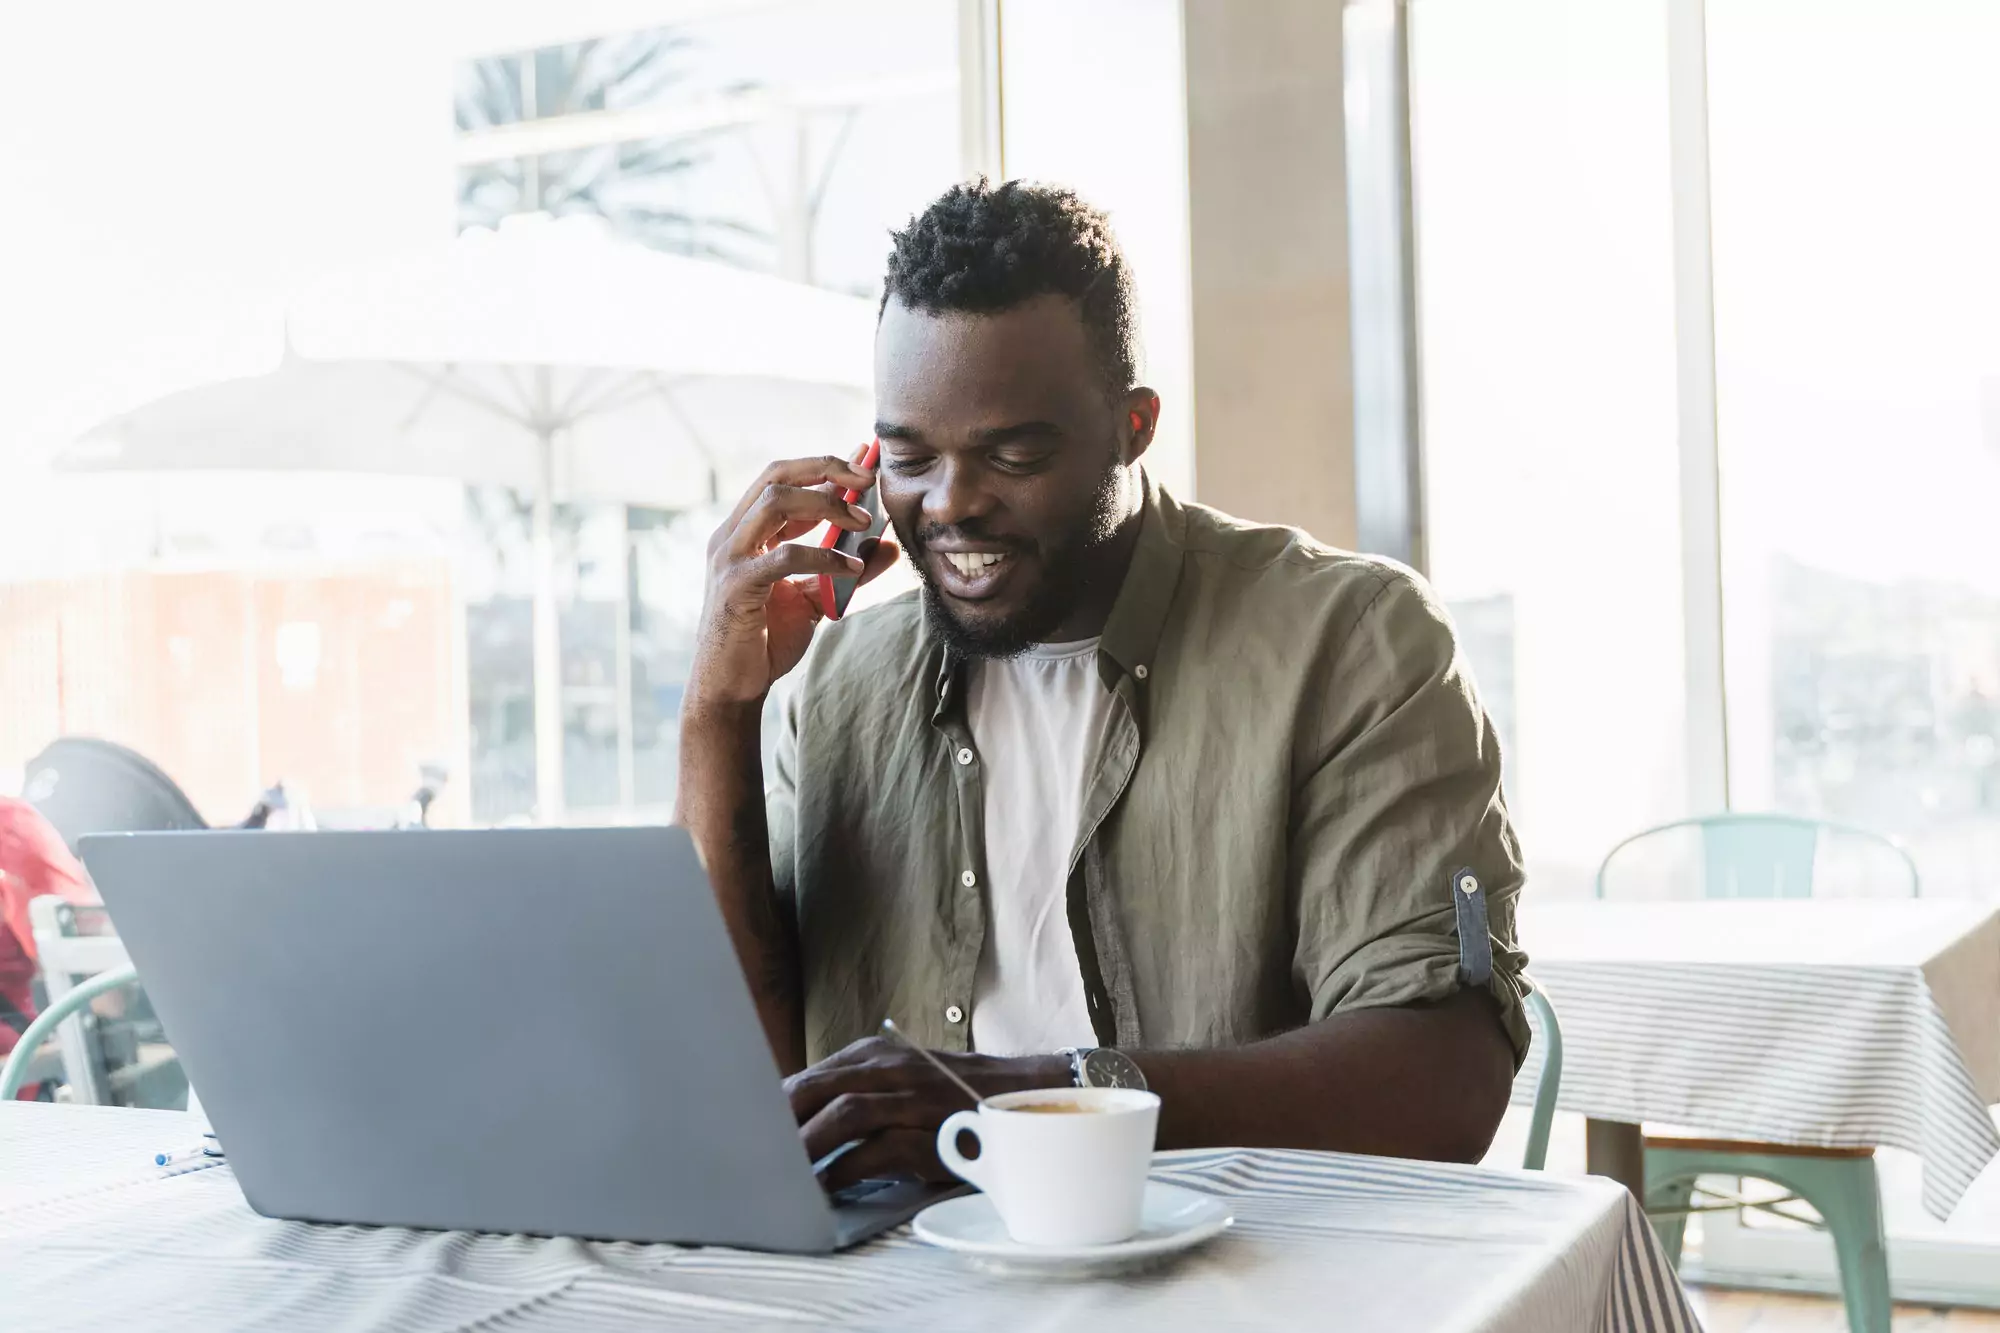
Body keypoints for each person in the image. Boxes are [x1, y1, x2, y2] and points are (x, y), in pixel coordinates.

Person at [677, 179, 1529, 1190]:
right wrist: (716, 711)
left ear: (1132, 427)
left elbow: (1445, 1076)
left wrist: (1030, 1107)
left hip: (1240, 1267)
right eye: (908, 455)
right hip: (903, 1275)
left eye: (1013, 452)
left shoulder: (1350, 641)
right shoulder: (835, 685)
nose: (950, 505)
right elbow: (748, 1073)